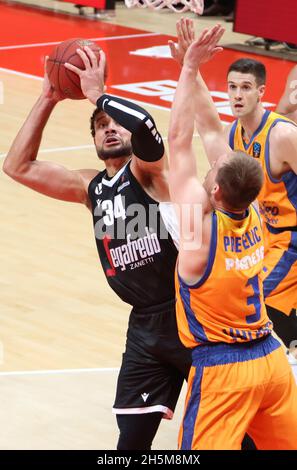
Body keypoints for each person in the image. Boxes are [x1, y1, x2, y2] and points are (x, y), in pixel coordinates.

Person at [2, 50, 192, 449]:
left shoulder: (149, 172)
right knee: (130, 443)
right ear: (92, 140)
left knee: (235, 431)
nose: (109, 129)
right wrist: (48, 98)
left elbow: (143, 124)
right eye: (101, 127)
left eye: (115, 125)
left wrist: (100, 96)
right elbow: (17, 166)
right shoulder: (92, 189)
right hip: (144, 327)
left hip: (189, 315)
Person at [168, 24, 297, 450]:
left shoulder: (197, 233)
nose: (212, 166)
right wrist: (193, 70)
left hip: (225, 366)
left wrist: (189, 68)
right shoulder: (258, 212)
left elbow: (181, 143)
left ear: (217, 189)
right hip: (270, 359)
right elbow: (208, 130)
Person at [224, 58, 297, 360]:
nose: (237, 95)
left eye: (245, 88)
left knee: (253, 295)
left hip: (292, 238)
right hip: (269, 233)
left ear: (261, 92)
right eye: (232, 87)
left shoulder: (282, 136)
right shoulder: (234, 133)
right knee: (252, 293)